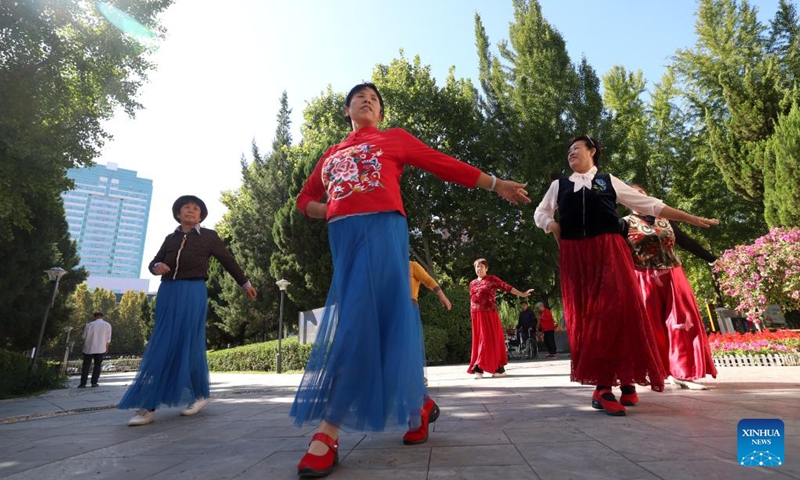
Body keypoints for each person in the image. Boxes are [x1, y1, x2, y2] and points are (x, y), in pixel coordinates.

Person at [291, 82, 531, 478]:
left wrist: (495, 184)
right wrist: (327, 208)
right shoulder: (330, 155)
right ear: (348, 110)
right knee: (382, 323)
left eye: (375, 99)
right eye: (359, 98)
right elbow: (304, 200)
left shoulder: (393, 140)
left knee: (358, 326)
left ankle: (327, 432)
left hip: (384, 232)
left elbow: (443, 163)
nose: (367, 101)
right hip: (344, 240)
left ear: (381, 113)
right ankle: (418, 403)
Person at [533, 135, 718, 416]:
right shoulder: (559, 186)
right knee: (588, 318)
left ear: (592, 151)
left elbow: (651, 205)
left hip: (609, 250)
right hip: (575, 256)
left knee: (618, 311)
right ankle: (605, 386)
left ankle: (621, 380)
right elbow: (540, 213)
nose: (571, 153)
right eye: (568, 150)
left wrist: (691, 218)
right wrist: (551, 225)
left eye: (576, 148)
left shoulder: (608, 181)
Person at [119, 195, 257, 426]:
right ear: (178, 213)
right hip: (167, 292)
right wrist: (156, 267)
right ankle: (148, 407)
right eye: (186, 208)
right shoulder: (170, 238)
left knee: (188, 342)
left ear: (201, 215)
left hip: (193, 291)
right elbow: (154, 262)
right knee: (163, 343)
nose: (191, 211)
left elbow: (228, 260)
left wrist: (246, 284)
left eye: (195, 209)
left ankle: (199, 394)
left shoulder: (209, 237)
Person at [623, 185, 718, 390]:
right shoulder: (623, 224)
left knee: (683, 321)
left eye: (643, 194)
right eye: (634, 196)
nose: (639, 198)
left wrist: (712, 260)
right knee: (651, 325)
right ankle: (657, 370)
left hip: (674, 275)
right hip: (643, 277)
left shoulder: (665, 219)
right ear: (626, 201)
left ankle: (684, 372)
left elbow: (685, 241)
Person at [406, 260, 450, 441]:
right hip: (385, 314)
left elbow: (429, 280)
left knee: (408, 362)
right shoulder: (383, 265)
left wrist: (443, 296)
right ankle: (426, 404)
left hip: (408, 312)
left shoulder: (411, 265)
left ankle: (419, 415)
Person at [468, 258, 534, 379]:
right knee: (479, 340)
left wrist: (522, 294)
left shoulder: (492, 279)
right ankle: (492, 368)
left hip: (489, 314)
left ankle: (482, 366)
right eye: (477, 266)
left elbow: (506, 287)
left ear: (486, 268)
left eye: (481, 266)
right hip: (476, 315)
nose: (479, 269)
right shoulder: (472, 283)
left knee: (488, 339)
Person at [77, 311, 112, 388]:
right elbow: (108, 339)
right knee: (97, 365)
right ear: (102, 316)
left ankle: (83, 383)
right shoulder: (107, 325)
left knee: (86, 366)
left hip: (89, 348)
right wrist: (106, 348)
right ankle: (94, 382)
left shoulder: (89, 325)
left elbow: (83, 336)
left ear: (94, 316)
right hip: (101, 348)